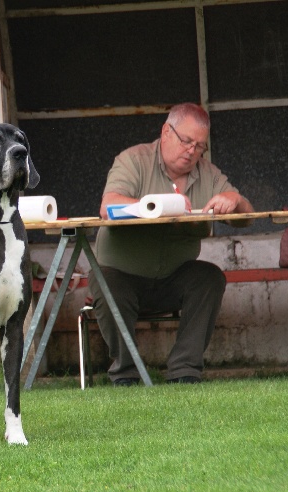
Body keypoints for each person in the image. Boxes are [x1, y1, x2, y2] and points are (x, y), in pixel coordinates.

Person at [89, 102, 254, 385]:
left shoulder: (209, 173)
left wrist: (236, 202)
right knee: (105, 281)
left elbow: (248, 217)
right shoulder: (133, 160)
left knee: (209, 277)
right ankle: (126, 373)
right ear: (166, 132)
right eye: (186, 141)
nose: (192, 151)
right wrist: (157, 206)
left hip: (173, 277)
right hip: (122, 276)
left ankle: (184, 370)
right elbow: (109, 205)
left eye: (200, 146)